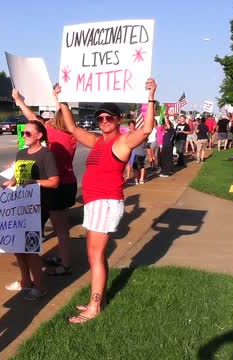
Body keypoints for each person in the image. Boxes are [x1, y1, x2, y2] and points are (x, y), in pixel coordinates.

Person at [59, 78, 157, 324]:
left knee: (95, 255)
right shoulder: (98, 141)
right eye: (99, 118)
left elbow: (146, 130)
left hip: (106, 202)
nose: (103, 122)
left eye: (108, 118)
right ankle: (98, 299)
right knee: (95, 255)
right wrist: (61, 99)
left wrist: (151, 96)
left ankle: (94, 306)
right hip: (94, 203)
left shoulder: (122, 141)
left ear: (118, 119)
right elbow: (71, 127)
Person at [12, 85, 78, 276]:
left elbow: (33, 119)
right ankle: (63, 258)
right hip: (68, 182)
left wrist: (19, 101)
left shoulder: (53, 133)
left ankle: (63, 264)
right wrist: (59, 98)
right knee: (62, 228)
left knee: (50, 227)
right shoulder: (72, 135)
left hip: (52, 185)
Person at [2, 120, 59, 300]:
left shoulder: (46, 155)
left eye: (28, 133)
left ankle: (39, 286)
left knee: (30, 248)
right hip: (20, 205)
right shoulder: (21, 154)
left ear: (39, 135)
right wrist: (10, 182)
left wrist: (36, 182)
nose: (24, 136)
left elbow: (54, 181)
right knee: (18, 246)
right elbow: (19, 179)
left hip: (38, 206)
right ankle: (25, 281)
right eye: (23, 133)